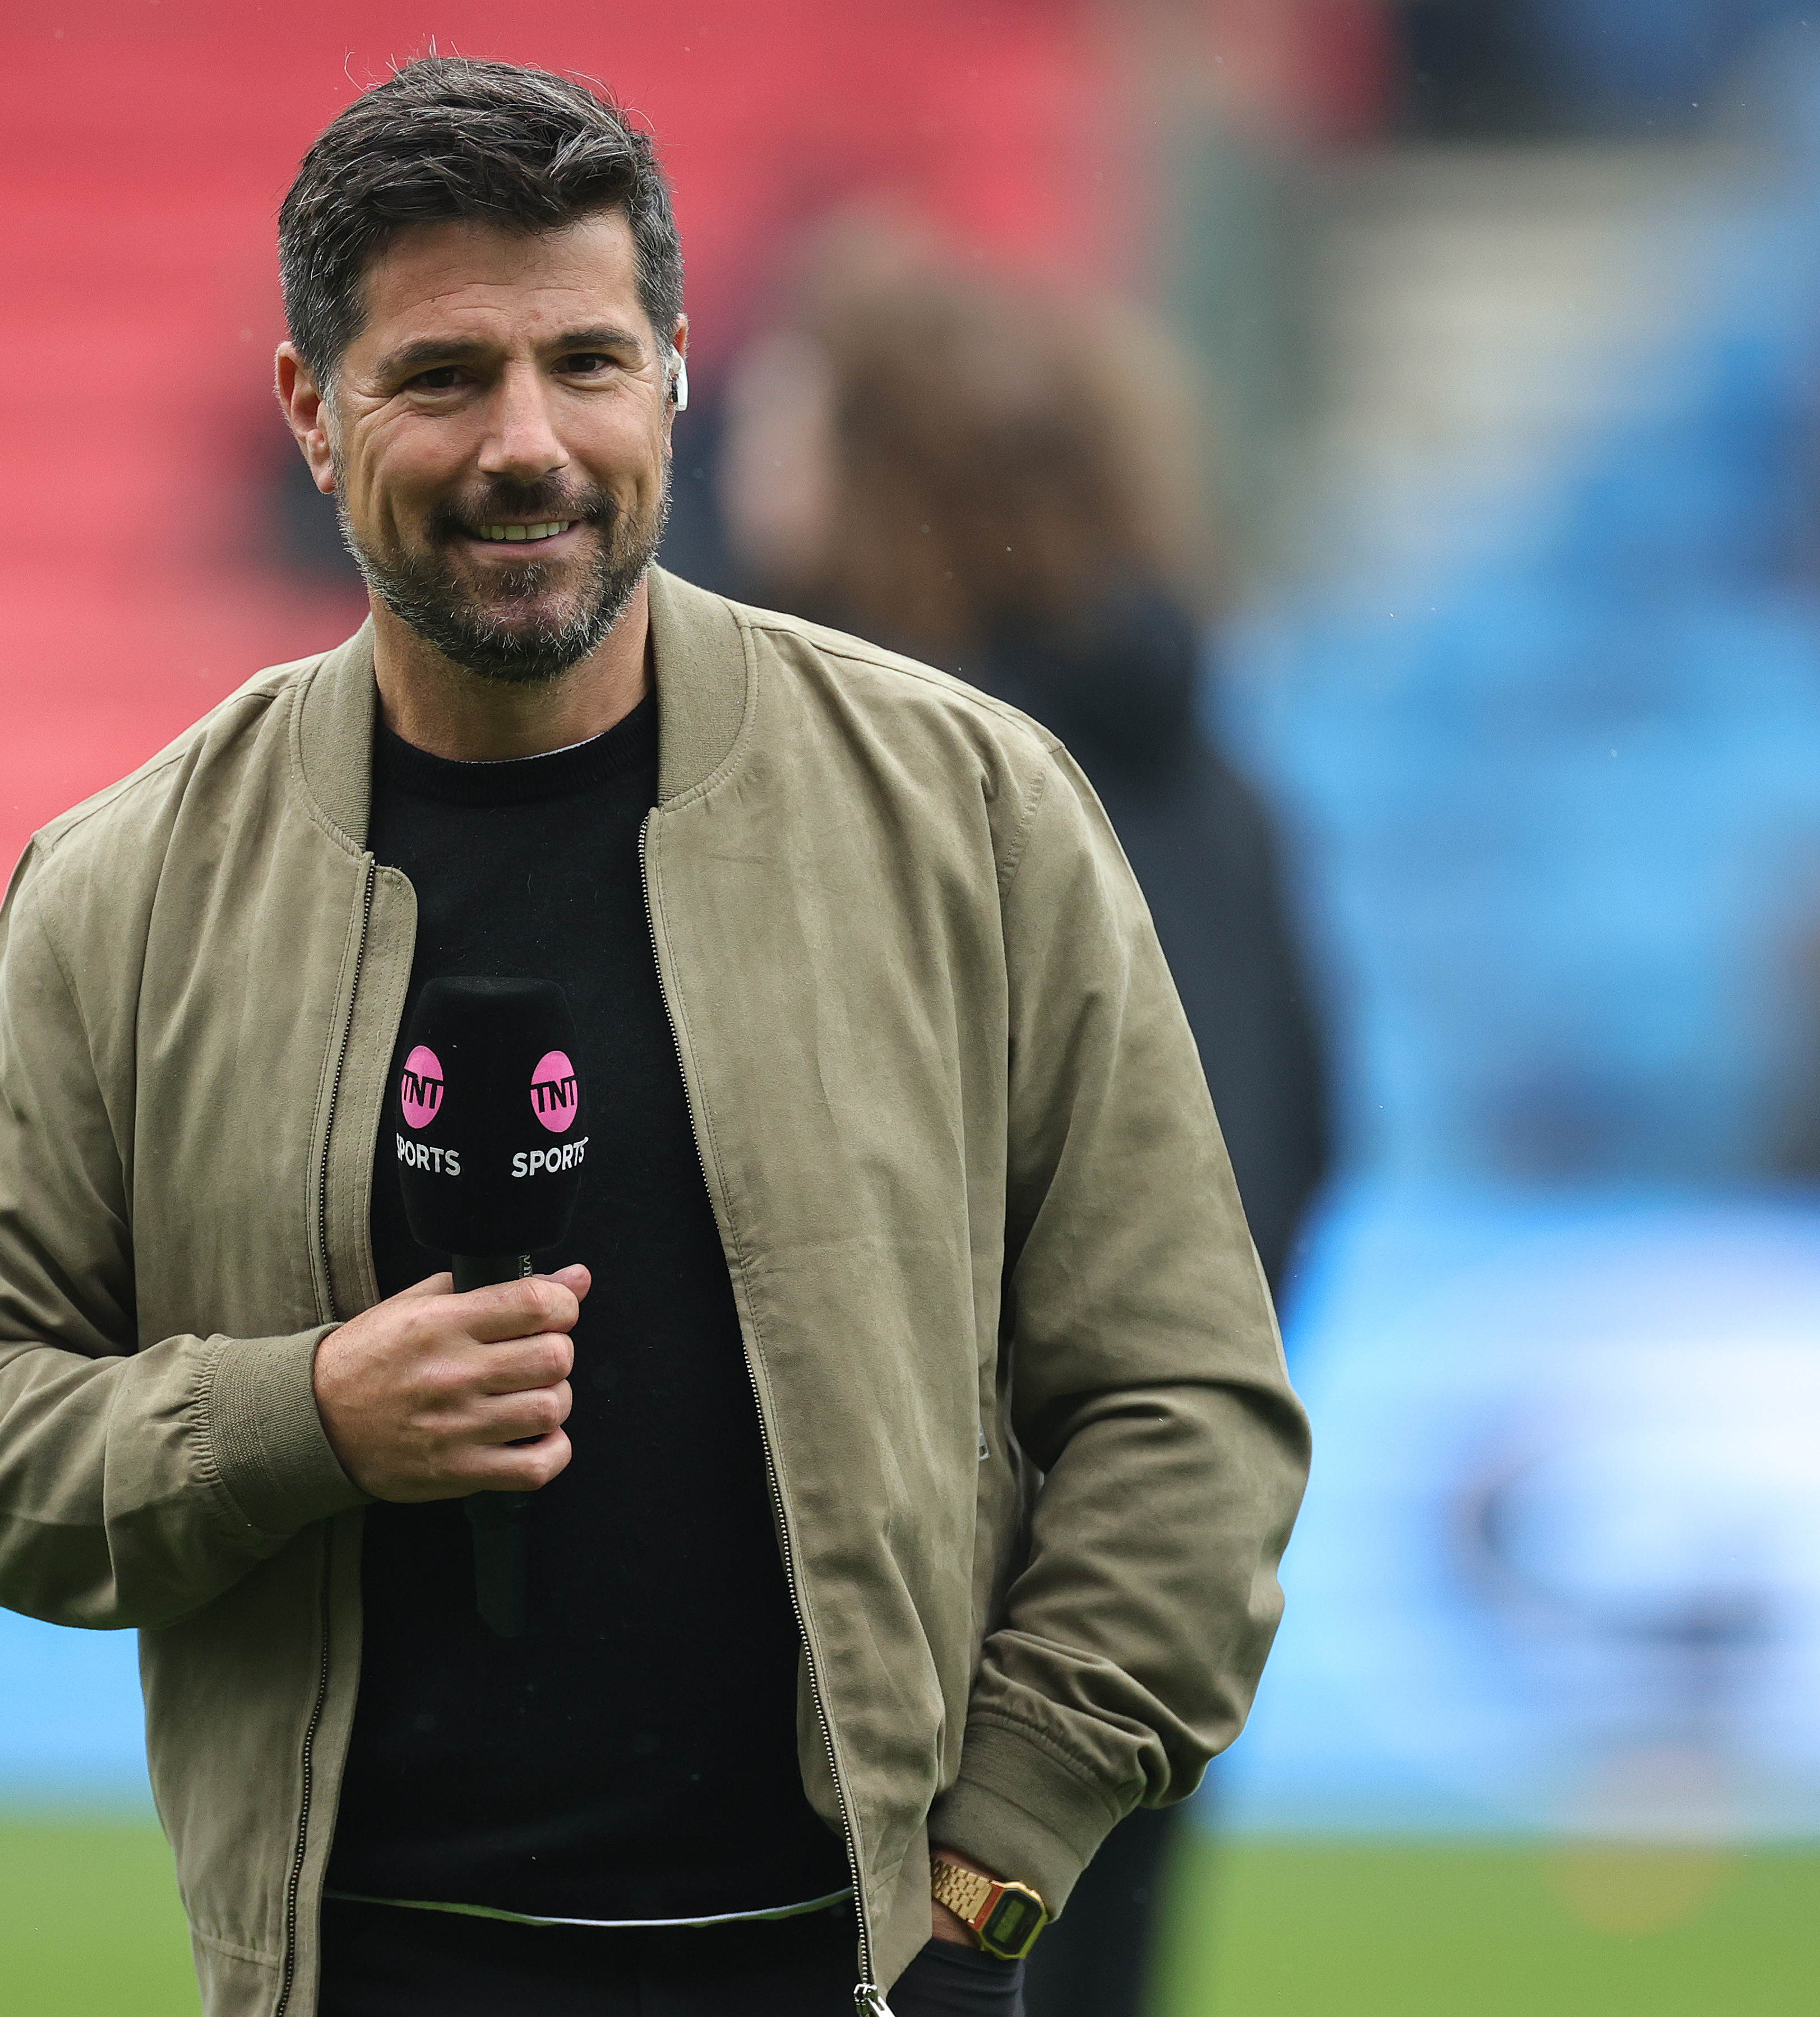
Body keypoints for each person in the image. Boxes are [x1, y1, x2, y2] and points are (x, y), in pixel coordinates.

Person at [0, 58, 1306, 2017]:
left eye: (586, 363)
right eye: (442, 376)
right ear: (311, 407)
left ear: (678, 377)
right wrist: (305, 1421)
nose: (525, 441)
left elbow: (1183, 1401)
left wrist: (999, 1867)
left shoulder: (968, 810)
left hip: (858, 1973)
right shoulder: (129, 886)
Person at [721, 222, 1334, 2017]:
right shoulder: (1212, 785)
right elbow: (1305, 1143)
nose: (728, 462)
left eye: (776, 419)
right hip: (1163, 1560)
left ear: (868, 467)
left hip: (904, 1582)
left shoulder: (886, 785)